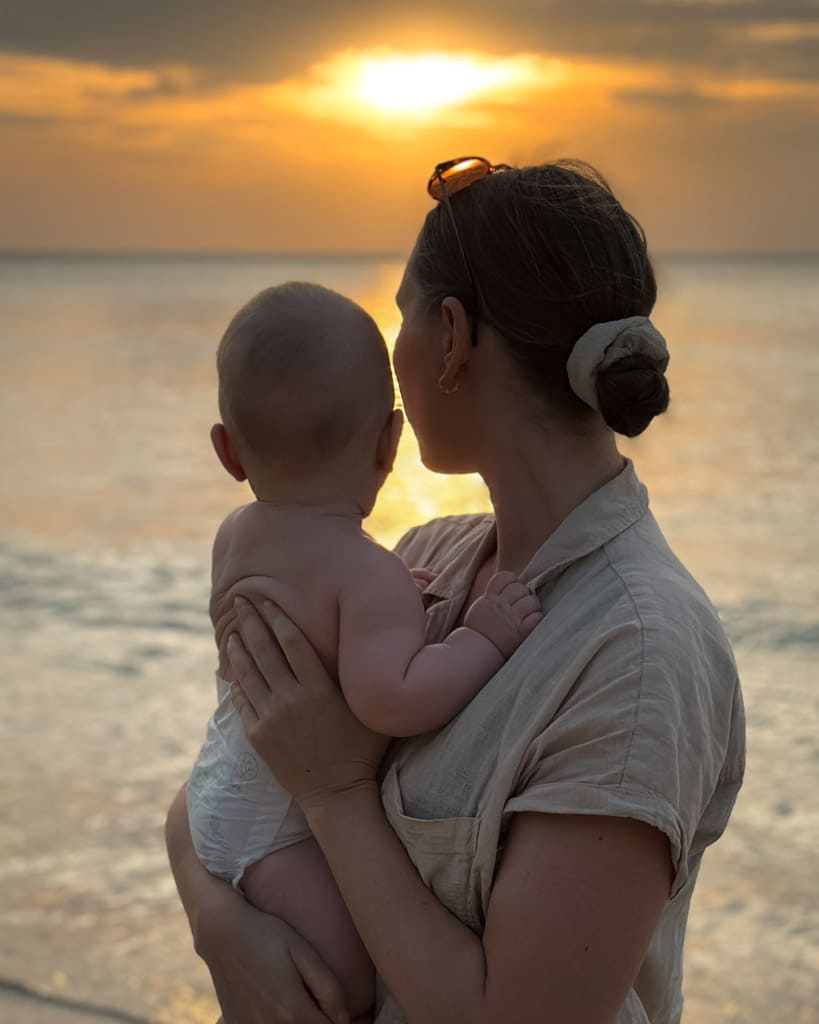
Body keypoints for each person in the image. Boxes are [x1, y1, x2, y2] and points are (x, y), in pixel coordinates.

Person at [166, 157, 746, 1024]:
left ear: (449, 337)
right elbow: (224, 777)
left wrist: (335, 796)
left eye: (398, 318)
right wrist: (219, 924)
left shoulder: (636, 653)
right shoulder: (425, 558)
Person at [186, 280, 543, 1022]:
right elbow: (393, 699)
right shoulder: (369, 573)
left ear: (227, 451)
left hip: (217, 796)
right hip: (277, 831)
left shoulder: (237, 534)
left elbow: (300, 623)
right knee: (343, 987)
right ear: (389, 443)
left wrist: (377, 609)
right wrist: (483, 638)